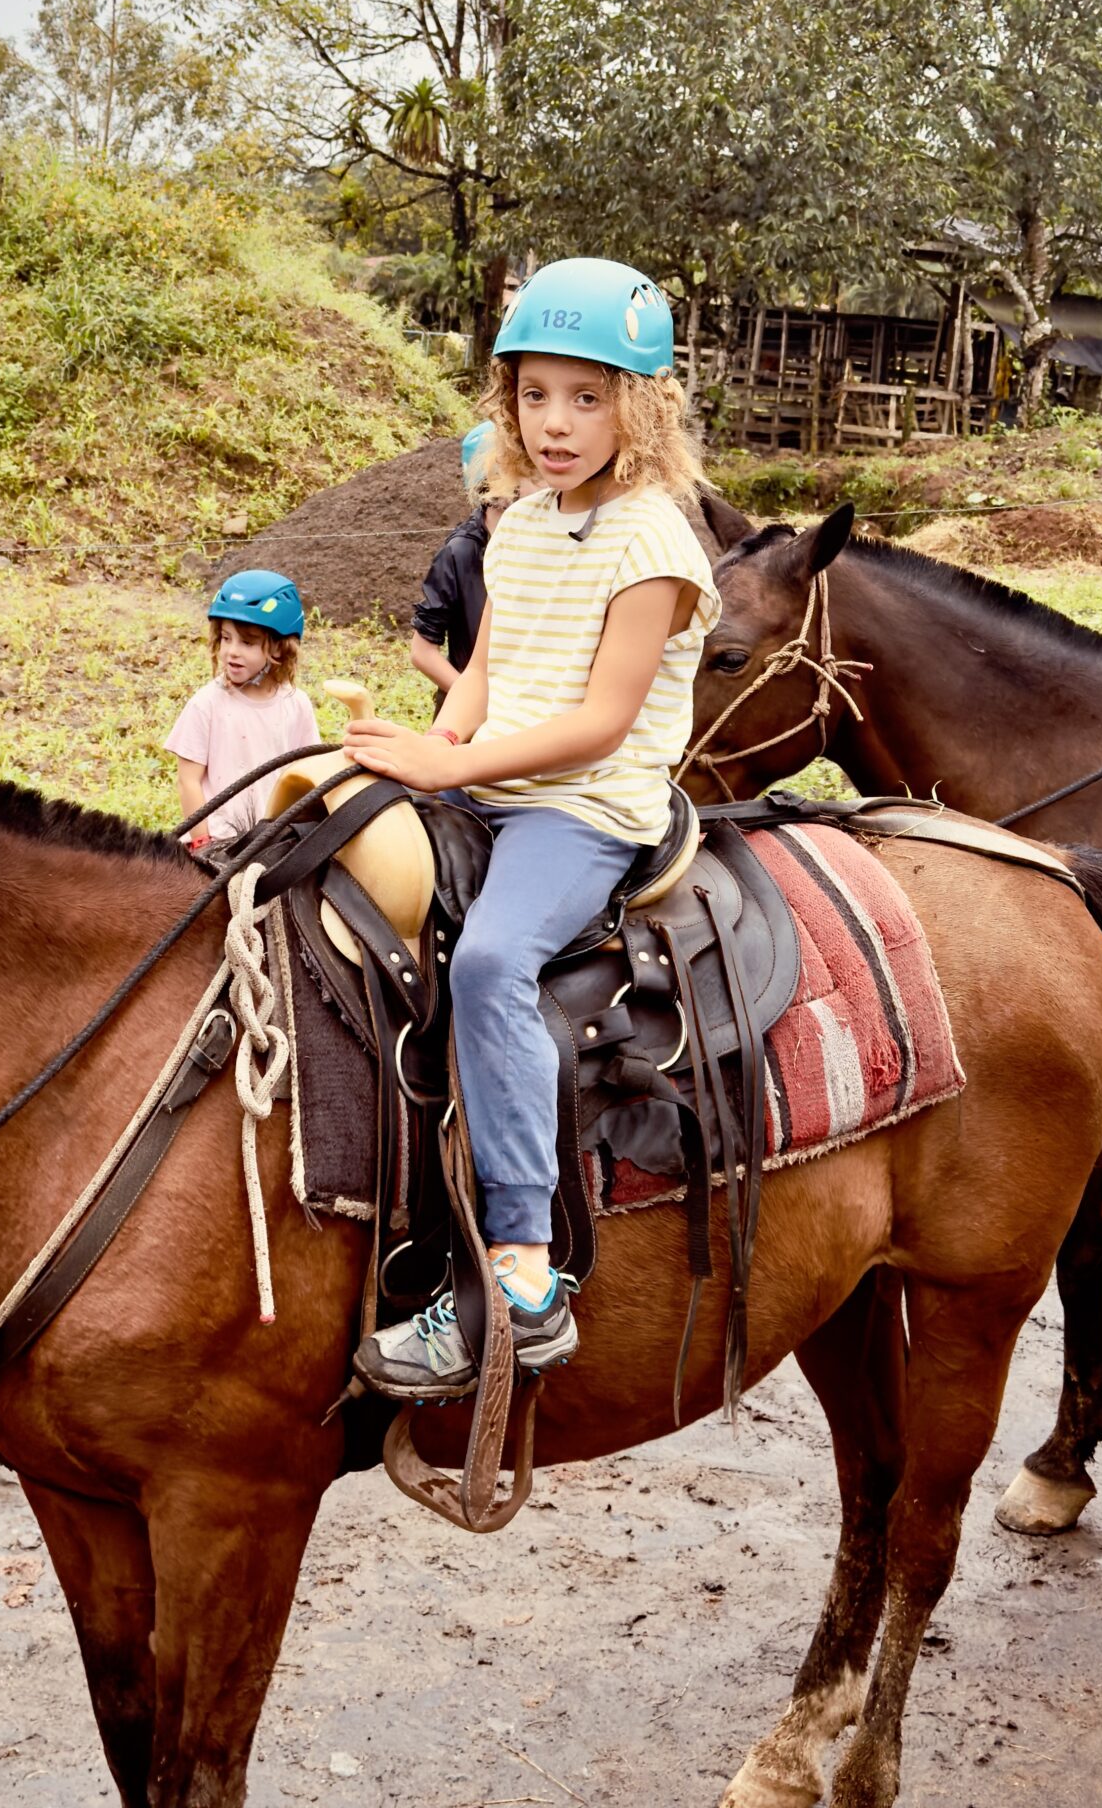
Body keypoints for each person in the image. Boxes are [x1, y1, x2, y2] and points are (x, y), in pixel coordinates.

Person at [342, 258, 716, 1396]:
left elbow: (599, 726)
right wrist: (425, 758)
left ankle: (521, 1268)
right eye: (535, 395)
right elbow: (484, 676)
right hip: (491, 783)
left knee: (497, 959)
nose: (555, 424)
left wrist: (451, 765)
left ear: (640, 408)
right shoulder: (517, 526)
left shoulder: (654, 542)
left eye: (588, 398)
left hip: (583, 807)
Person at [165, 570, 321, 852]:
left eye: (247, 642)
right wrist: (202, 843)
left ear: (278, 646)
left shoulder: (295, 705)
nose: (231, 652)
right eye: (226, 638)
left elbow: (306, 774)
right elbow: (188, 780)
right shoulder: (207, 704)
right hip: (218, 843)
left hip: (272, 840)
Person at [409, 420, 508, 697]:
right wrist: (474, 702)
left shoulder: (549, 544)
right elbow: (422, 651)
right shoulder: (461, 552)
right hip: (470, 723)